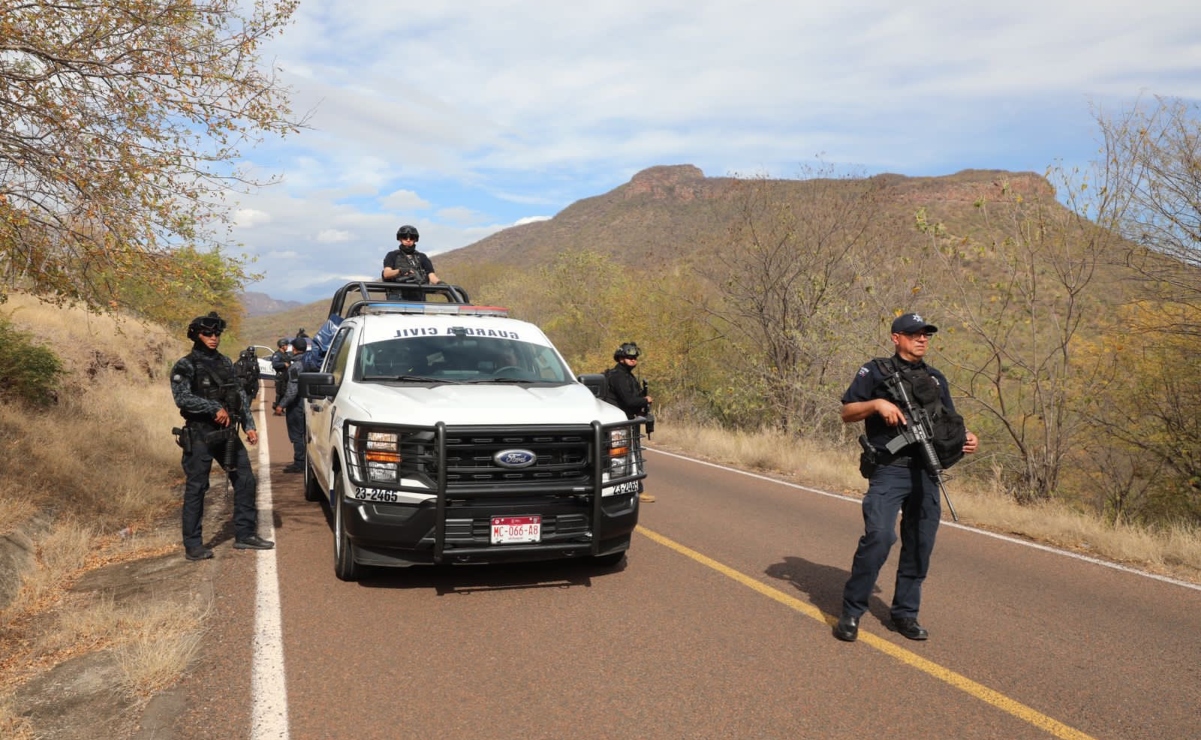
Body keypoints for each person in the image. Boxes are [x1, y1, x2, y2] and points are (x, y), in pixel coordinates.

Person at [833, 313, 977, 642]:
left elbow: (948, 423)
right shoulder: (876, 370)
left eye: (926, 334)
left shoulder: (936, 378)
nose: (922, 339)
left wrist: (968, 437)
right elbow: (846, 412)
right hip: (890, 469)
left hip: (926, 470)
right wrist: (877, 404)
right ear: (896, 337)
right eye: (914, 334)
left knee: (920, 545)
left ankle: (905, 614)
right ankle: (852, 611)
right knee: (880, 537)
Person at [170, 312, 275, 560]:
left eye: (217, 333)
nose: (214, 337)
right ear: (196, 334)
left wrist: (249, 424)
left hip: (227, 433)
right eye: (208, 333)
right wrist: (212, 408)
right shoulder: (185, 365)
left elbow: (238, 394)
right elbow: (181, 398)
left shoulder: (226, 363)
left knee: (246, 480)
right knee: (197, 488)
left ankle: (245, 534)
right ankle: (193, 545)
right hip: (200, 433)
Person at [606, 342, 655, 503]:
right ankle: (633, 491)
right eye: (629, 357)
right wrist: (644, 400)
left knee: (631, 456)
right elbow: (629, 400)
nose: (633, 360)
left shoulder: (627, 375)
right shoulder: (618, 376)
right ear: (620, 358)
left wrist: (641, 403)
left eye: (635, 357)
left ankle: (634, 490)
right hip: (619, 423)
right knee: (627, 457)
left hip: (627, 421)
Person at [272, 336, 308, 473]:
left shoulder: (296, 366)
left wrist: (281, 405)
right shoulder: (310, 362)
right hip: (309, 404)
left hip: (297, 405)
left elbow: (292, 391)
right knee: (306, 434)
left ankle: (299, 463)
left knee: (297, 435)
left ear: (294, 349)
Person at [382, 224, 441, 293]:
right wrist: (401, 271)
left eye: (411, 237)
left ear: (415, 239)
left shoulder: (422, 257)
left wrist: (440, 283)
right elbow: (386, 273)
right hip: (397, 297)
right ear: (400, 239)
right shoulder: (392, 255)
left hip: (418, 297)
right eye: (405, 237)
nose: (408, 240)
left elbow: (432, 276)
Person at [270, 337, 291, 407]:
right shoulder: (277, 354)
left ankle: (280, 407)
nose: (287, 346)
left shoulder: (286, 354)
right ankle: (277, 406)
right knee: (280, 393)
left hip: (286, 376)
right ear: (282, 346)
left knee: (285, 393)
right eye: (286, 345)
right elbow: (274, 364)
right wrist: (283, 364)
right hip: (280, 376)